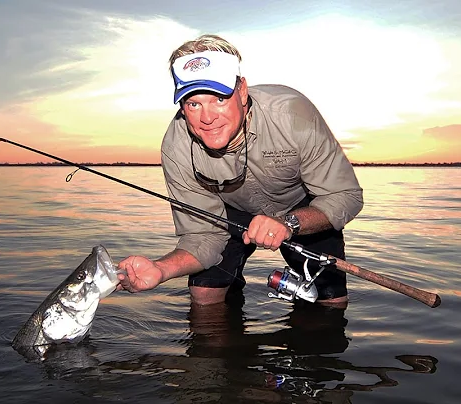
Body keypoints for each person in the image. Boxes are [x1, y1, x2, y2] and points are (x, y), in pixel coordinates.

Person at [116, 34, 363, 306]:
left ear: (242, 90)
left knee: (332, 303)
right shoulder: (176, 148)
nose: (207, 118)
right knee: (203, 296)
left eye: (218, 99)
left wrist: (289, 223)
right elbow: (201, 236)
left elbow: (346, 195)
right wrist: (161, 269)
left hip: (301, 209)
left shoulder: (293, 113)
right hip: (231, 214)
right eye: (193, 103)